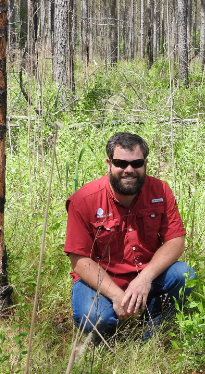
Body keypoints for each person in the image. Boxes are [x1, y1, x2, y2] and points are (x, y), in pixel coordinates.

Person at [64, 132, 195, 339]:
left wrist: (144, 279)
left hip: (147, 275)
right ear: (109, 164)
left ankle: (151, 335)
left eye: (136, 163)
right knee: (95, 318)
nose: (129, 170)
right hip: (101, 280)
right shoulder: (84, 200)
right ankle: (108, 341)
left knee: (184, 275)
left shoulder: (160, 191)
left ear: (145, 163)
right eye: (120, 163)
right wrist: (117, 296)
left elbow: (175, 241)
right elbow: (79, 260)